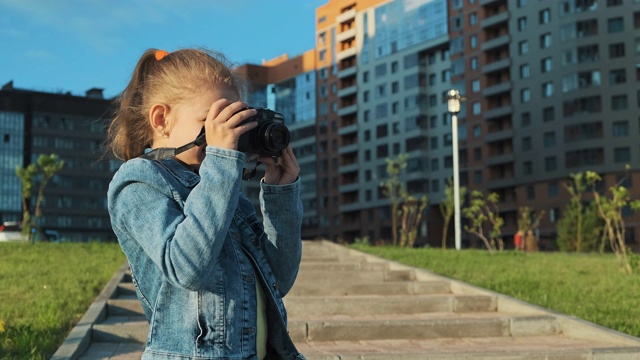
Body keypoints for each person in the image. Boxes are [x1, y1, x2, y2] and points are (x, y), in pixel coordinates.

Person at [106, 48, 304, 360]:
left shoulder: (227, 194)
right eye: (212, 122)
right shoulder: (139, 179)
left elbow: (279, 279)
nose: (225, 136)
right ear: (161, 119)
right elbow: (187, 268)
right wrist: (223, 163)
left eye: (234, 123)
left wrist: (281, 193)